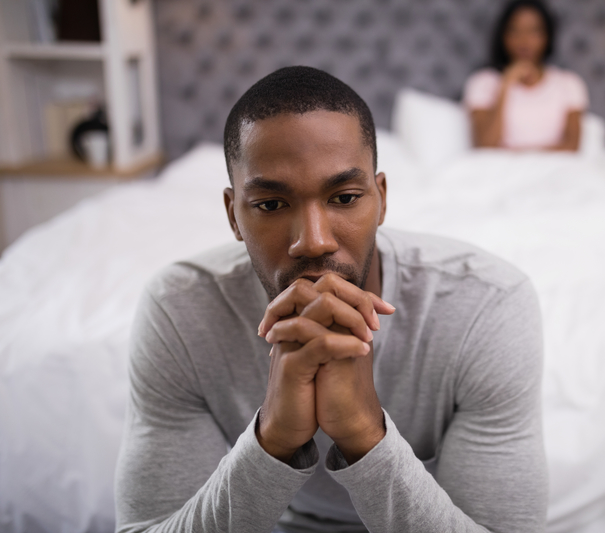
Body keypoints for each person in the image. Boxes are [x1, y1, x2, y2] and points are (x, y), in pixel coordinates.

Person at [114, 66, 547, 533]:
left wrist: (365, 435)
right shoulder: (179, 312)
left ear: (380, 199)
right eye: (271, 205)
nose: (314, 241)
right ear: (233, 215)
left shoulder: (487, 307)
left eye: (343, 197)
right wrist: (272, 440)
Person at [464, 0, 588, 151]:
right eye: (515, 30)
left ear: (547, 36)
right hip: (500, 171)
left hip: (554, 170)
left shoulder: (568, 84)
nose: (524, 40)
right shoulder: (483, 82)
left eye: (534, 31)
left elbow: (571, 148)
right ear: (503, 35)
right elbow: (486, 146)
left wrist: (518, 154)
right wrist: (505, 85)